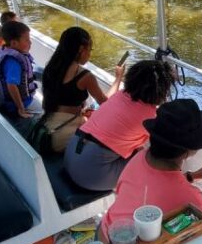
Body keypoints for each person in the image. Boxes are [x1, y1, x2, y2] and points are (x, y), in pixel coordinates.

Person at [99, 98, 202, 243]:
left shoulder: (139, 157)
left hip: (103, 232)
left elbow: (158, 184)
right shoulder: (190, 198)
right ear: (187, 152)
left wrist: (194, 176)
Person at [64, 59, 174, 192]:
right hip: (90, 177)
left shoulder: (119, 96)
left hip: (70, 157)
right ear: (162, 90)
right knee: (147, 155)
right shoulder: (150, 117)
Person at [41, 26, 125, 153]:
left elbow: (63, 98)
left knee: (91, 112)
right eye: (90, 50)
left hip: (47, 125)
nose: (90, 54)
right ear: (81, 49)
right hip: (60, 136)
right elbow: (105, 103)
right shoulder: (85, 76)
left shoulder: (51, 67)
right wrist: (118, 77)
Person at [0, 20, 41, 135]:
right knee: (44, 112)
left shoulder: (3, 49)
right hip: (22, 103)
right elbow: (11, 85)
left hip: (17, 100)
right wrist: (21, 108)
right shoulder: (13, 62)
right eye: (27, 40)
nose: (30, 42)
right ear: (14, 43)